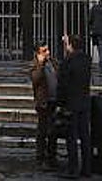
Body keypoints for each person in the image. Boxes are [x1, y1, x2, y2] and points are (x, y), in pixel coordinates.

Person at [57, 34, 92, 179]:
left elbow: (63, 84)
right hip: (84, 101)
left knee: (71, 137)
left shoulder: (68, 62)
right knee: (85, 136)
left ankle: (73, 169)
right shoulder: (86, 60)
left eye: (67, 44)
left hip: (72, 103)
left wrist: (60, 103)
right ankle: (87, 168)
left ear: (70, 45)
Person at [30, 42, 60, 171]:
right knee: (42, 131)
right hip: (43, 102)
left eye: (48, 49)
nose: (47, 52)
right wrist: (41, 65)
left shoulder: (53, 61)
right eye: (44, 51)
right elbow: (35, 79)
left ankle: (52, 156)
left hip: (54, 100)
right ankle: (40, 157)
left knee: (53, 131)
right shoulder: (35, 65)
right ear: (38, 53)